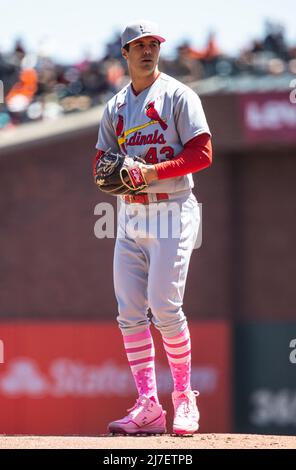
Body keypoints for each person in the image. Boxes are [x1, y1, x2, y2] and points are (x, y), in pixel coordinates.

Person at [94, 20, 212, 435]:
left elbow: (203, 153)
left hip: (173, 208)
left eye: (152, 44)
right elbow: (100, 165)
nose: (147, 50)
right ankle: (148, 406)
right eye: (137, 45)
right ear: (124, 54)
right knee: (129, 312)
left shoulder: (180, 95)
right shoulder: (115, 106)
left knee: (164, 307)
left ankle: (183, 398)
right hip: (130, 214)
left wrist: (150, 172)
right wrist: (116, 175)